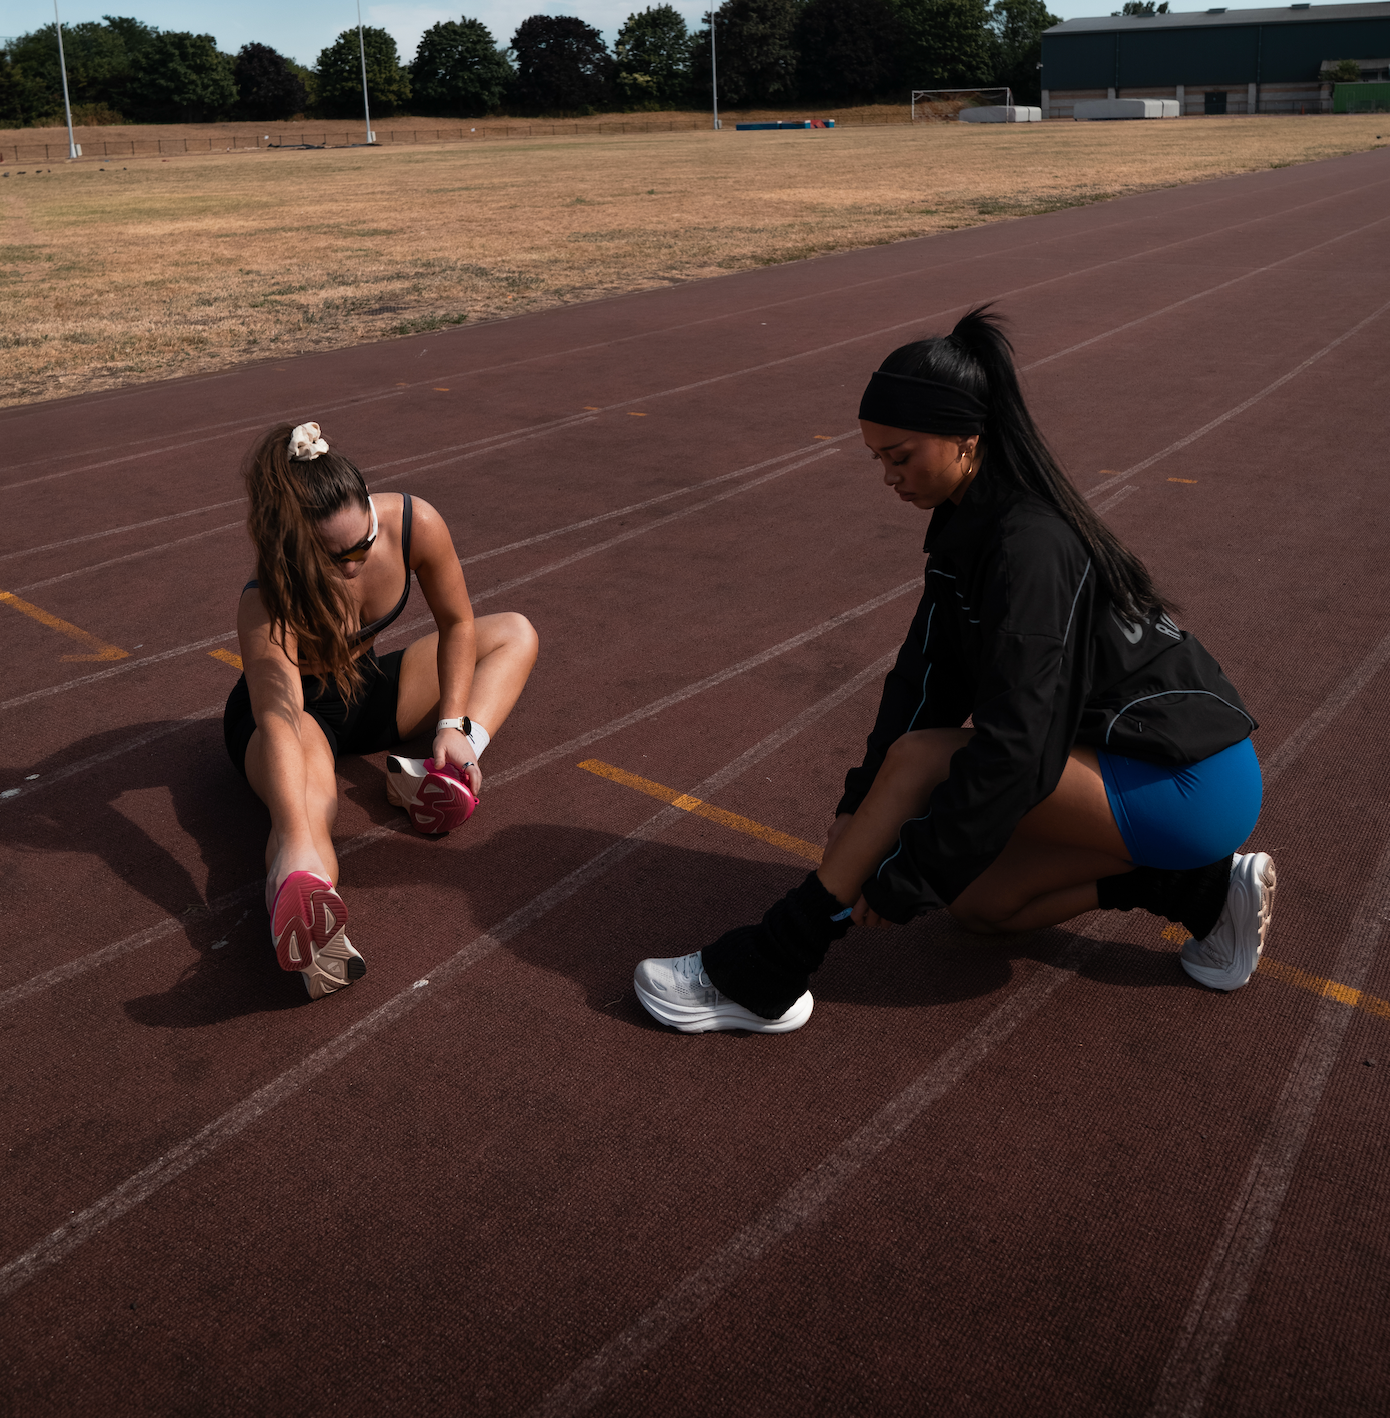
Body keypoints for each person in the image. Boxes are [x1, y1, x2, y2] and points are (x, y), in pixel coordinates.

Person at [634, 307, 1273, 1035]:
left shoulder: (1028, 547)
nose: (889, 477)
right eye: (877, 459)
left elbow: (1019, 747)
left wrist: (911, 874)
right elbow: (925, 682)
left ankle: (771, 967)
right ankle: (1200, 890)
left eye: (901, 456)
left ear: (967, 438)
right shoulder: (971, 530)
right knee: (977, 905)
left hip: (1190, 779)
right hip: (1140, 768)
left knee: (921, 766)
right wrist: (860, 807)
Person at [225, 420, 538, 999]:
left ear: (372, 509)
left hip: (364, 688)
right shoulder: (267, 598)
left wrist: (454, 725)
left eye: (363, 544)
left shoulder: (416, 522)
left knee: (514, 633)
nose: (354, 563)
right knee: (310, 813)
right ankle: (305, 906)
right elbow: (280, 719)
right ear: (298, 547)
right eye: (334, 557)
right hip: (293, 715)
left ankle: (432, 775)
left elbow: (458, 624)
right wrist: (294, 834)